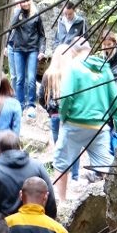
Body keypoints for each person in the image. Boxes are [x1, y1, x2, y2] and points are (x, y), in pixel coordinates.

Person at [54, 38, 117, 201]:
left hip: (75, 124)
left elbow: (66, 96)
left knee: (61, 163)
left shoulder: (73, 67)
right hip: (99, 127)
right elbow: (115, 98)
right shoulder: (104, 68)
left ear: (73, 51)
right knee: (106, 166)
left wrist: (63, 117)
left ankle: (62, 202)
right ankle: (115, 201)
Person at [0, 131, 58, 219]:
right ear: (19, 146)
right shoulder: (37, 167)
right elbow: (51, 202)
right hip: (36, 224)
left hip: (7, 229)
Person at [38, 46, 78, 181]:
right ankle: (75, 175)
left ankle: (61, 174)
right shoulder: (72, 73)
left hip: (54, 115)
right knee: (72, 144)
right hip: (71, 115)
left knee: (59, 145)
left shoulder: (49, 74)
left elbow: (41, 96)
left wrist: (48, 109)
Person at [7, 0, 46, 118]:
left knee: (31, 79)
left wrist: (42, 50)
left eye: (26, 0)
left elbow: (42, 35)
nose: (25, 3)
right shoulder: (18, 15)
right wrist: (18, 9)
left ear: (30, 0)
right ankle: (19, 104)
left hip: (32, 50)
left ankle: (30, 105)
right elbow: (11, 26)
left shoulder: (36, 15)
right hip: (18, 50)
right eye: (22, 1)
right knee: (19, 79)